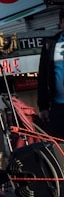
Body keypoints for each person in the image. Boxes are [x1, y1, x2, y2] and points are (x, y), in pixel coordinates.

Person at [37, 10, 64, 138]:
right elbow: (43, 77)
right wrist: (43, 106)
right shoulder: (50, 44)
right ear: (61, 22)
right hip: (58, 107)